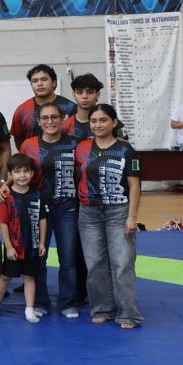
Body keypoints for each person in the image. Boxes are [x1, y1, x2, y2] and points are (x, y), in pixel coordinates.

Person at [74, 104, 143, 328]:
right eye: (93, 121)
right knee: (95, 263)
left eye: (103, 120)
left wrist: (132, 217)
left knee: (122, 262)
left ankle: (129, 313)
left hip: (118, 211)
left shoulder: (126, 150)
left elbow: (135, 186)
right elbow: (78, 177)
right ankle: (103, 307)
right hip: (89, 212)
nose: (97, 125)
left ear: (114, 123)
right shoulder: (82, 148)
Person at [13, 102, 80, 317]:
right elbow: (18, 171)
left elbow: (83, 172)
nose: (50, 121)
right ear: (39, 121)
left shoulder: (74, 144)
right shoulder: (29, 145)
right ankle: (41, 302)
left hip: (67, 208)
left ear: (62, 120)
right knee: (38, 257)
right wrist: (5, 186)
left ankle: (67, 303)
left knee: (68, 258)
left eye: (54, 117)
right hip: (38, 209)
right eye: (45, 118)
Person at [0, 154, 47, 323]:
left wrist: (42, 242)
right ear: (10, 175)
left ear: (32, 173)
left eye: (26, 171)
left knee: (29, 277)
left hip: (32, 246)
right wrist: (9, 246)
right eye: (18, 172)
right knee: (5, 277)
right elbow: (3, 223)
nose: (22, 175)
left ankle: (29, 310)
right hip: (14, 246)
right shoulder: (7, 197)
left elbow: (42, 219)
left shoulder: (37, 195)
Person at [10, 64, 78, 149]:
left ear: (54, 83)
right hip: (31, 156)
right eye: (35, 81)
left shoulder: (71, 108)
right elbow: (18, 138)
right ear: (31, 85)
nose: (39, 84)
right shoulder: (22, 110)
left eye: (44, 79)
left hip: (65, 155)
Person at [63, 73, 126, 142]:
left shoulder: (111, 122)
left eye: (90, 92)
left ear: (98, 94)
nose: (84, 96)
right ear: (74, 95)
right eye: (79, 92)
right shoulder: (66, 125)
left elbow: (125, 146)